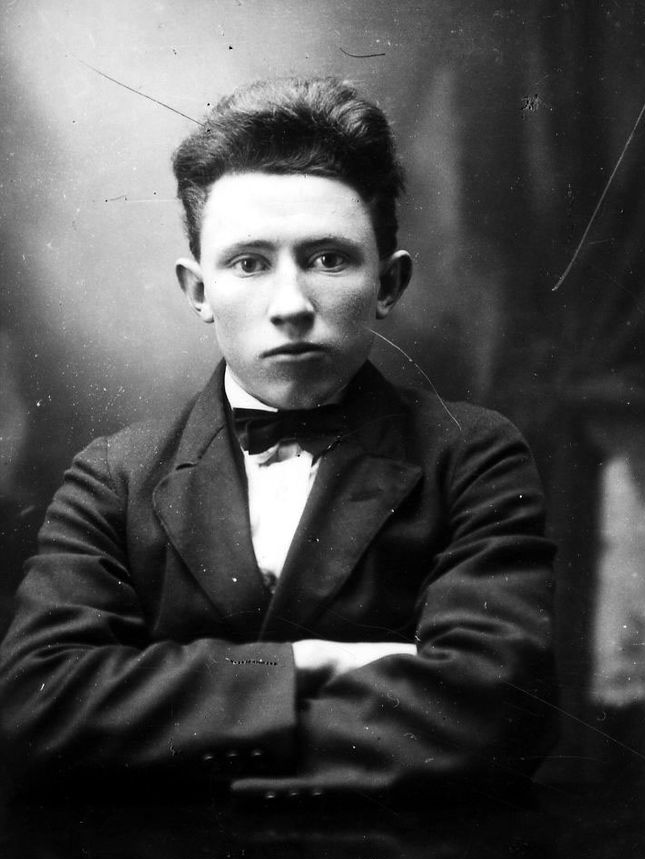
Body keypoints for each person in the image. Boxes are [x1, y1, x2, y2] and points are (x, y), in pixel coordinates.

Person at [0, 77, 556, 803]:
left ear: (388, 284)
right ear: (198, 291)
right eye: (249, 263)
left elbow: (494, 714)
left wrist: (179, 736)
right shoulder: (115, 477)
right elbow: (37, 707)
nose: (291, 305)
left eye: (328, 259)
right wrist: (308, 663)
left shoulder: (472, 455)